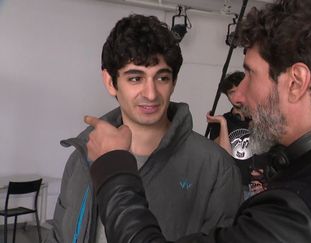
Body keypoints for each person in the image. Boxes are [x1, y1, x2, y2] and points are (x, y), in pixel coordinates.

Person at [84, 0, 311, 242]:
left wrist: (114, 168)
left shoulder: (294, 215)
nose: (241, 94)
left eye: (250, 74)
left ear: (295, 81)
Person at [45, 14, 242, 243]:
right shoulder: (82, 157)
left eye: (162, 78)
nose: (150, 94)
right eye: (136, 78)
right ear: (111, 82)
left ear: (173, 82)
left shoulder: (216, 169)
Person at [206, 71, 268, 198]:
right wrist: (223, 123)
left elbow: (271, 152)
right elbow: (224, 156)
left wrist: (265, 179)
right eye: (231, 93)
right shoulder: (219, 122)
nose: (236, 97)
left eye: (240, 91)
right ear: (227, 96)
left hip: (258, 188)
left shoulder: (262, 119)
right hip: (231, 187)